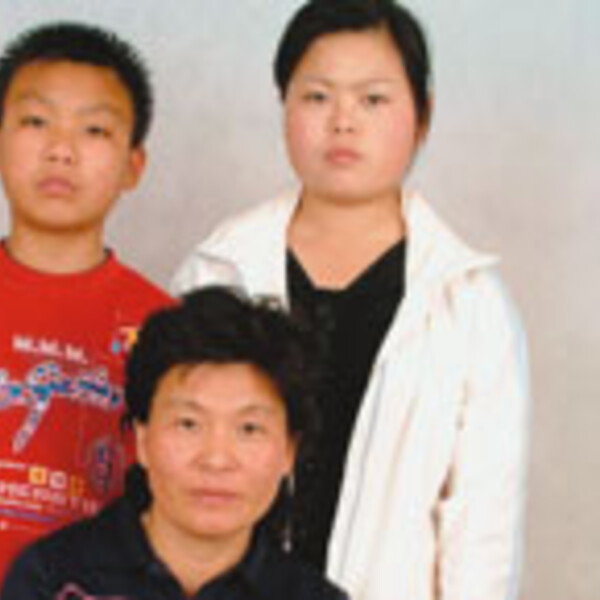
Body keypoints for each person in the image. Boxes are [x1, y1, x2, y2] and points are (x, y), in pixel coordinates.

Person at [171, 2, 530, 600]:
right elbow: (166, 464)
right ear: (284, 107)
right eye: (317, 97)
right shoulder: (217, 269)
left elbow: (483, 525)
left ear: (422, 116)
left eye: (373, 99)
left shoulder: (469, 301)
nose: (343, 122)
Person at [1, 287, 349, 600]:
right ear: (141, 439)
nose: (216, 459)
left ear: (288, 452)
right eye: (188, 424)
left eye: (249, 429)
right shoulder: (52, 579)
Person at [0, 22, 171, 581]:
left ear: (132, 166)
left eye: (94, 129)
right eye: (35, 122)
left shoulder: (167, 330)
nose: (60, 151)